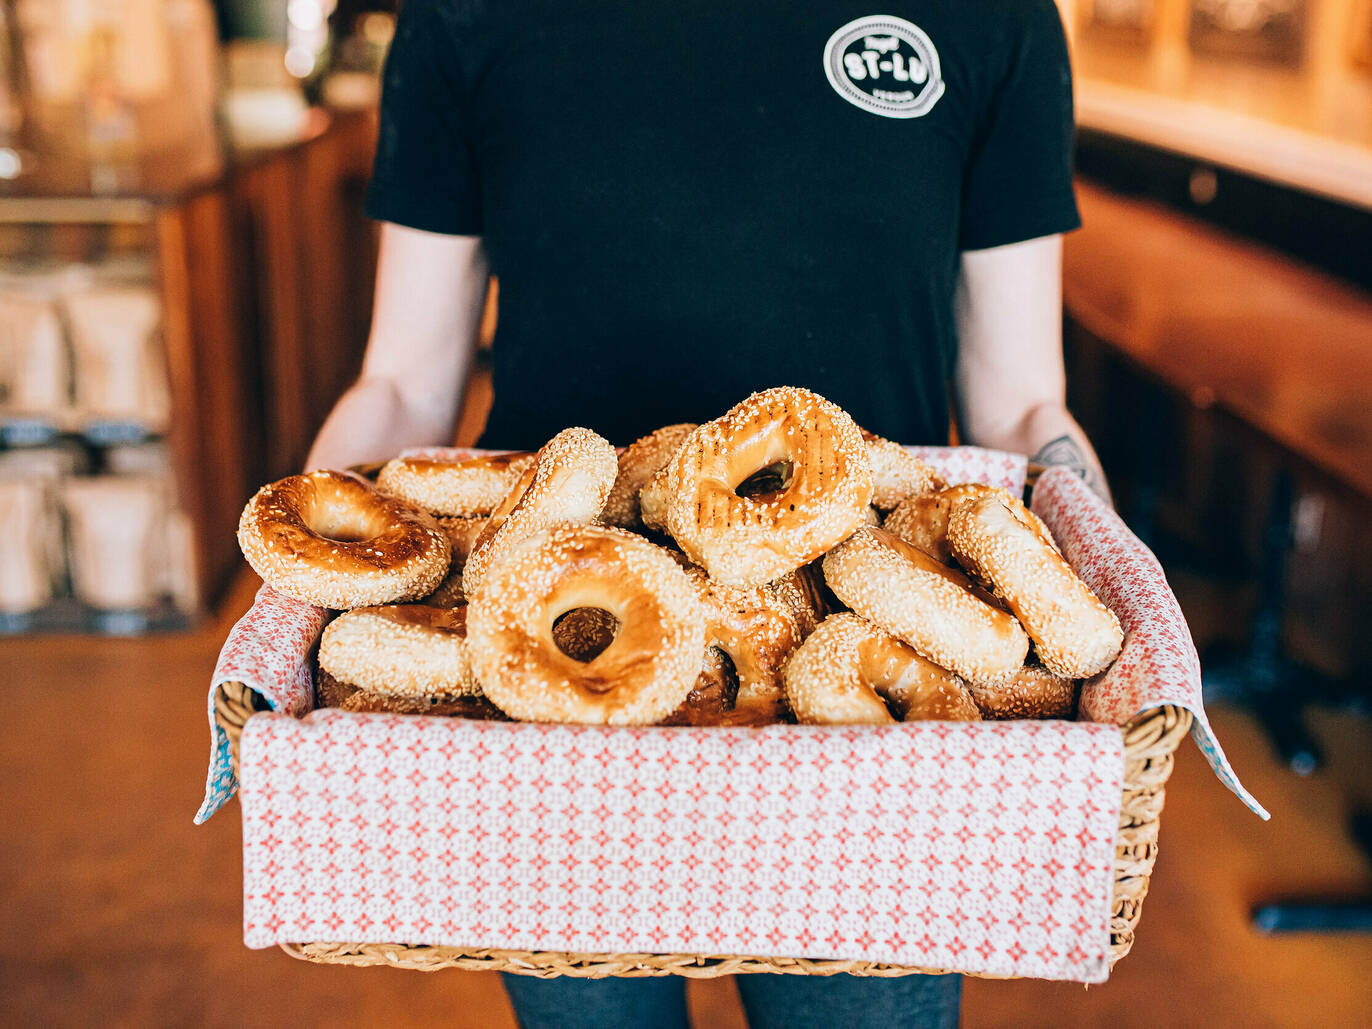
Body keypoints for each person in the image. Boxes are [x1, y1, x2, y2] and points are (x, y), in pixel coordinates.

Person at [307, 1, 1108, 1025]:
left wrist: (1099, 557)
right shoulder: (460, 16)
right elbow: (404, 384)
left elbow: (1022, 402)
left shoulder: (995, 18)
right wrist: (300, 581)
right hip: (549, 689)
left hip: (873, 717)